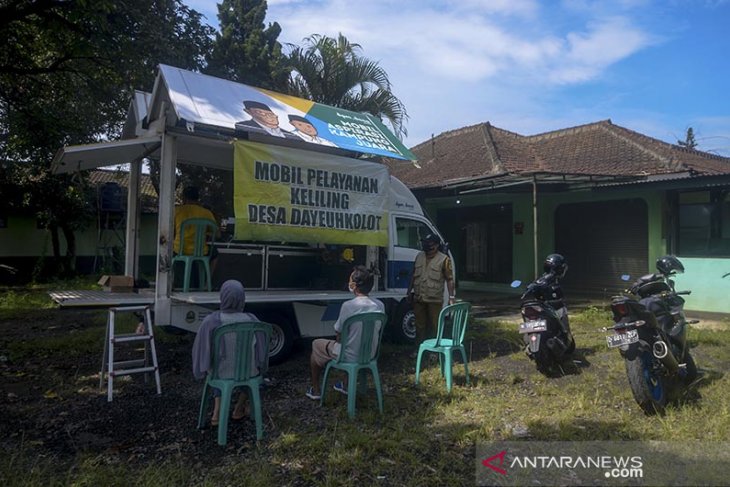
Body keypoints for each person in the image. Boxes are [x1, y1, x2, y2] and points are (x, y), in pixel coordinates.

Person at [192, 280, 269, 426]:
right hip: (249, 373)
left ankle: (217, 412)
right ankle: (239, 408)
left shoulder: (211, 321)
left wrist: (200, 369)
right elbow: (261, 352)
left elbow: (201, 350)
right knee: (255, 377)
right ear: (242, 298)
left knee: (216, 367)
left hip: (221, 373)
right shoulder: (253, 320)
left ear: (222, 297)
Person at [306, 265, 385, 400]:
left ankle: (316, 389)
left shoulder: (348, 306)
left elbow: (339, 333)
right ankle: (345, 384)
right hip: (370, 354)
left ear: (354, 285)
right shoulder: (380, 305)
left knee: (316, 344)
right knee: (352, 344)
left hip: (349, 356)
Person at [407, 233, 455, 347]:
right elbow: (413, 275)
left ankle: (435, 350)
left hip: (434, 299)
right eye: (425, 243)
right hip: (419, 297)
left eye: (430, 243)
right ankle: (419, 349)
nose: (427, 245)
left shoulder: (444, 259)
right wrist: (409, 291)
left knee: (435, 326)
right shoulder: (419, 256)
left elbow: (449, 279)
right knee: (419, 326)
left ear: (436, 245)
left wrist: (452, 297)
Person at [173, 185, 219, 281]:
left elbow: (170, 231)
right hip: (201, 251)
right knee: (215, 254)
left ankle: (170, 283)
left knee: (165, 250)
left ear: (184, 198)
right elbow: (217, 234)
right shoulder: (206, 213)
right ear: (198, 198)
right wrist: (207, 234)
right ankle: (207, 283)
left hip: (179, 250)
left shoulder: (176, 211)